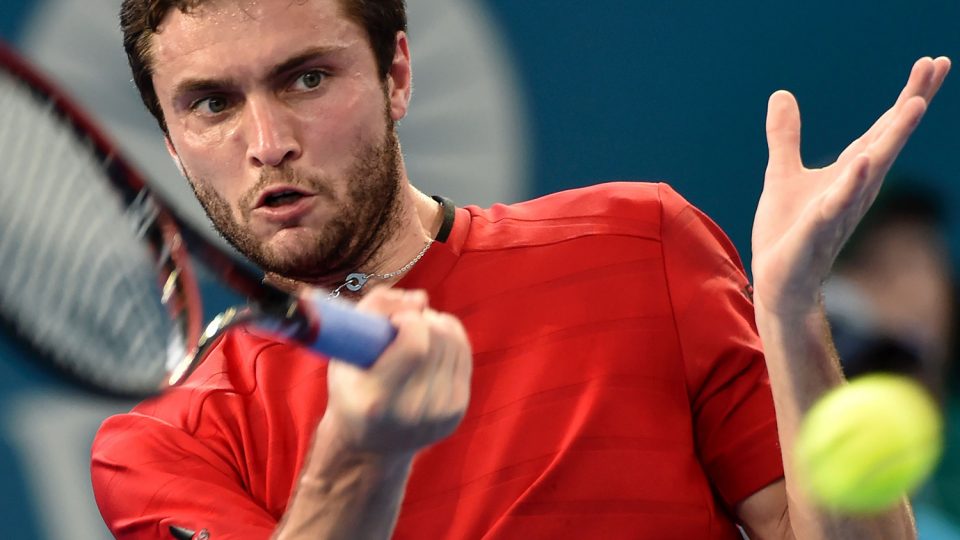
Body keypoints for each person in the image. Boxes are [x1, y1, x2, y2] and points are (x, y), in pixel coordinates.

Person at [90, 0, 951, 538]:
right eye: (212, 104)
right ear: (169, 139)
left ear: (396, 75)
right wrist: (364, 455)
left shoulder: (643, 241)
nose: (267, 142)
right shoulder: (160, 450)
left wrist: (792, 311)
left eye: (308, 78)